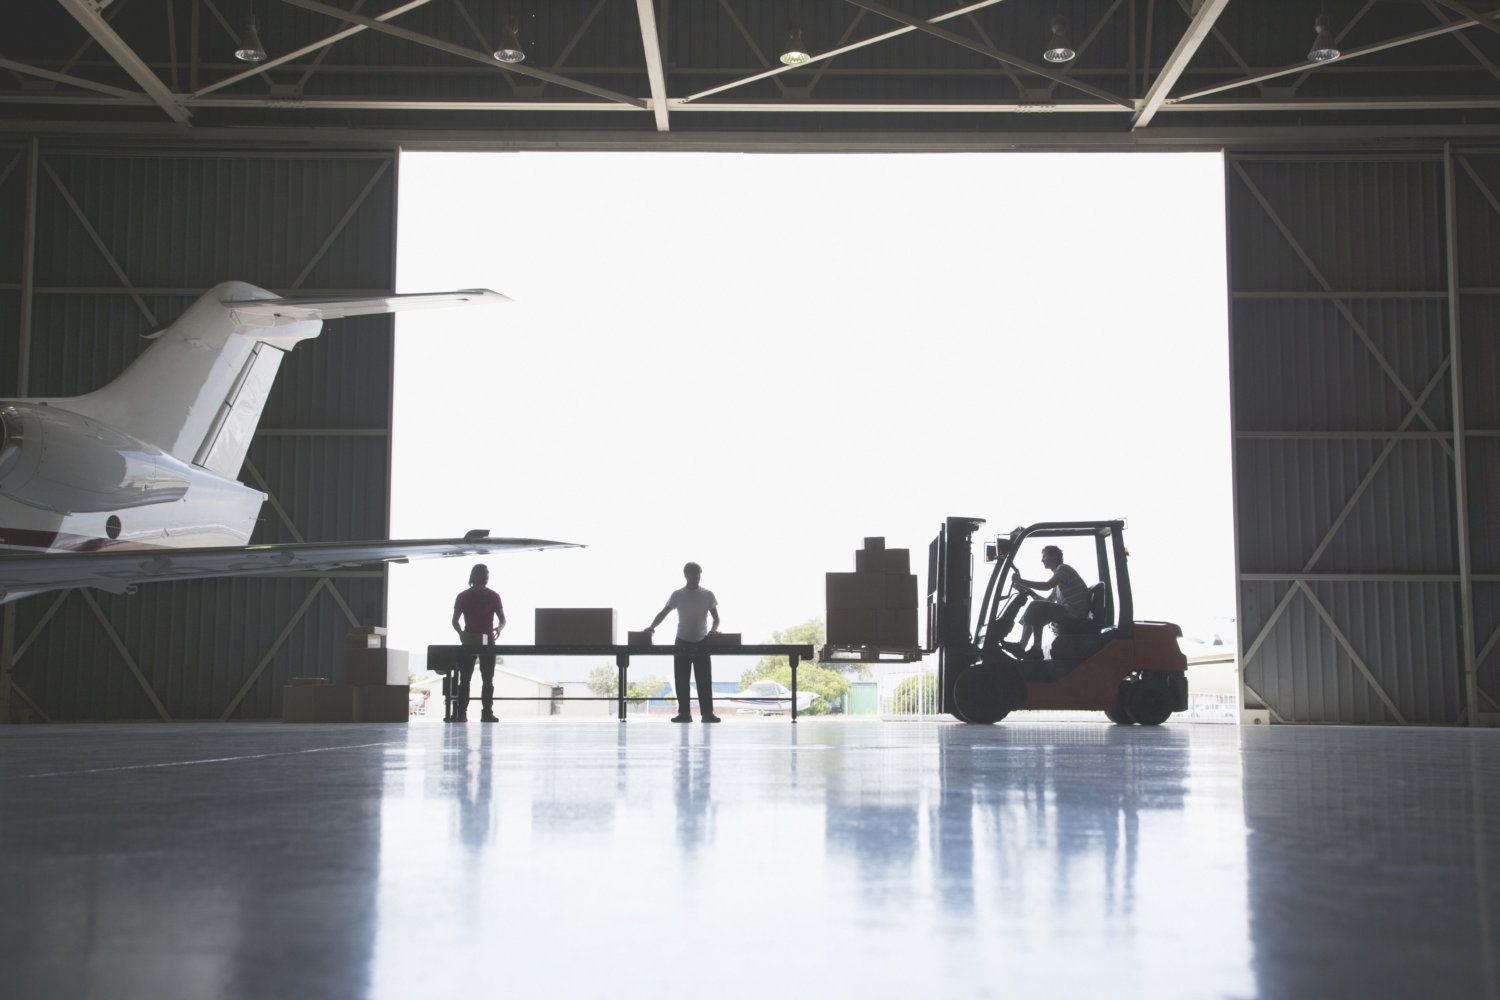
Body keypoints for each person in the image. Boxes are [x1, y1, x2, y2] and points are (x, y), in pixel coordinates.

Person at [644, 562, 721, 723]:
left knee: (704, 680)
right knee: (681, 679)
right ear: (686, 575)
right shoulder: (677, 595)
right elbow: (663, 613)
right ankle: (684, 713)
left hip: (702, 641)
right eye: (693, 575)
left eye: (699, 574)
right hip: (682, 642)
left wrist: (713, 630)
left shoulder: (708, 595)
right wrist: (651, 627)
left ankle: (707, 713)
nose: (696, 578)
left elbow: (716, 618)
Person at [1009, 544, 1090, 659]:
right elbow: (1048, 601)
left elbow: (1046, 586)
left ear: (1054, 557)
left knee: (1037, 607)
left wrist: (1021, 581)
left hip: (1075, 612)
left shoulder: (1063, 569)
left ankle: (1034, 648)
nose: (1042, 560)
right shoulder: (1058, 581)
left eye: (1044, 556)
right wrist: (1030, 592)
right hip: (1069, 611)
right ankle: (1022, 646)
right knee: (1036, 606)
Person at [451, 563, 506, 722]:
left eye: (488, 573)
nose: (487, 576)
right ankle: (462, 713)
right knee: (465, 678)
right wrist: (461, 634)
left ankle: (487, 712)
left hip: (488, 641)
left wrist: (499, 629)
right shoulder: (463, 596)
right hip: (469, 641)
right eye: (484, 573)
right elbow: (455, 621)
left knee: (488, 679)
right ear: (474, 575)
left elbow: (503, 619)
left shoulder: (494, 596)